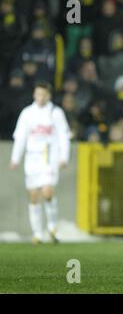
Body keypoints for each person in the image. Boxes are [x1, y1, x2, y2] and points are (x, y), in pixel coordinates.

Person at [10, 81, 71, 244]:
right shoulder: (27, 113)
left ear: (49, 95)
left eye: (43, 94)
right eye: (38, 94)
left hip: (48, 158)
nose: (40, 97)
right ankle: (37, 233)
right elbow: (20, 137)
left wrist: (64, 156)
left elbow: (63, 136)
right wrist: (15, 158)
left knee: (48, 192)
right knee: (34, 196)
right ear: (34, 95)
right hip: (32, 158)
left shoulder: (55, 113)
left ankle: (52, 227)